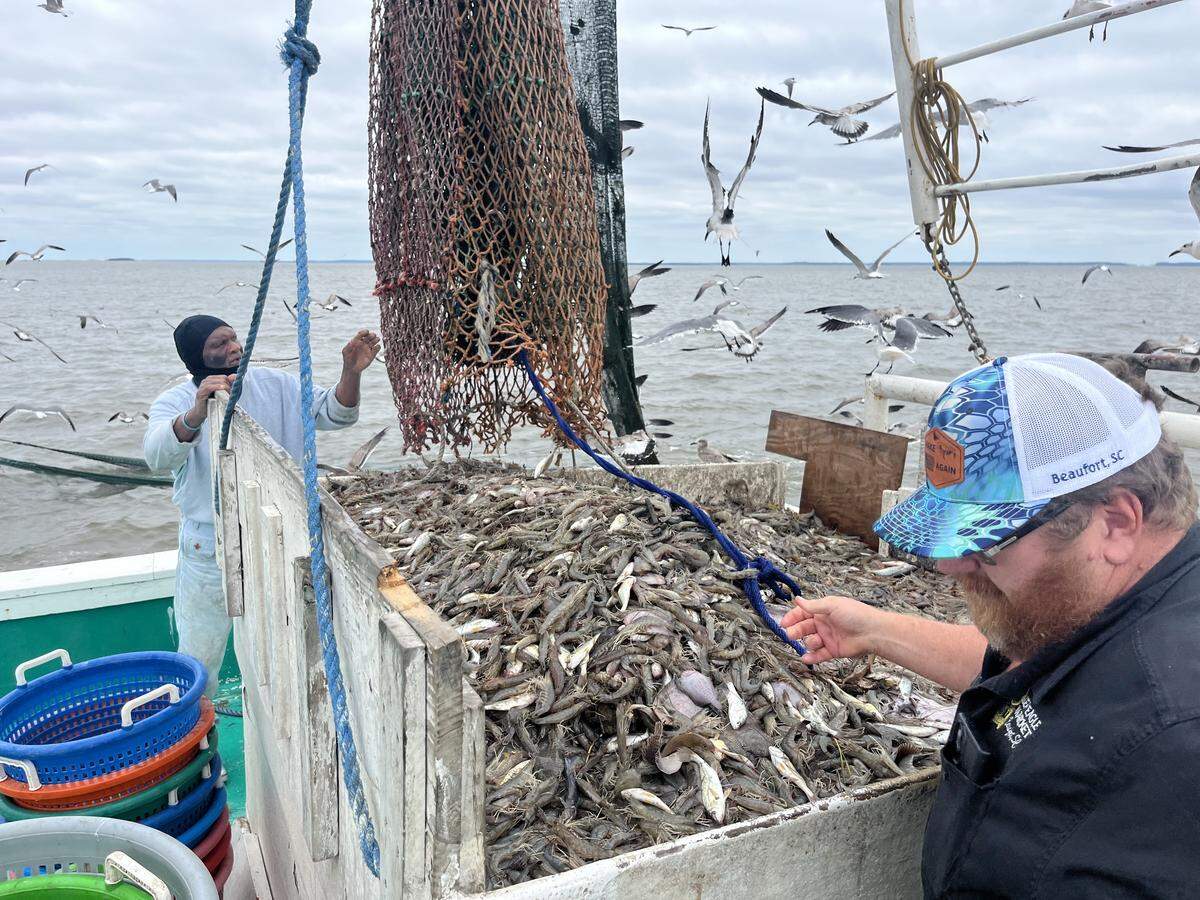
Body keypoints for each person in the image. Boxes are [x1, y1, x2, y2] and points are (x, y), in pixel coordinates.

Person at [782, 353, 1200, 897]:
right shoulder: (1115, 605)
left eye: (987, 541)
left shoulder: (1169, 752)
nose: (953, 565)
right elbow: (1037, 672)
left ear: (1117, 523)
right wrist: (872, 630)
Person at [144, 315, 381, 696]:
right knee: (199, 658)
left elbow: (337, 414)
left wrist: (350, 372)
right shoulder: (174, 401)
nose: (234, 348)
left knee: (281, 644)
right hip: (209, 547)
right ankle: (197, 735)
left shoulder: (277, 385)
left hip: (277, 533)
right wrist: (196, 413)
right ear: (194, 359)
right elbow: (156, 456)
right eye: (218, 345)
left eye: (234, 338)